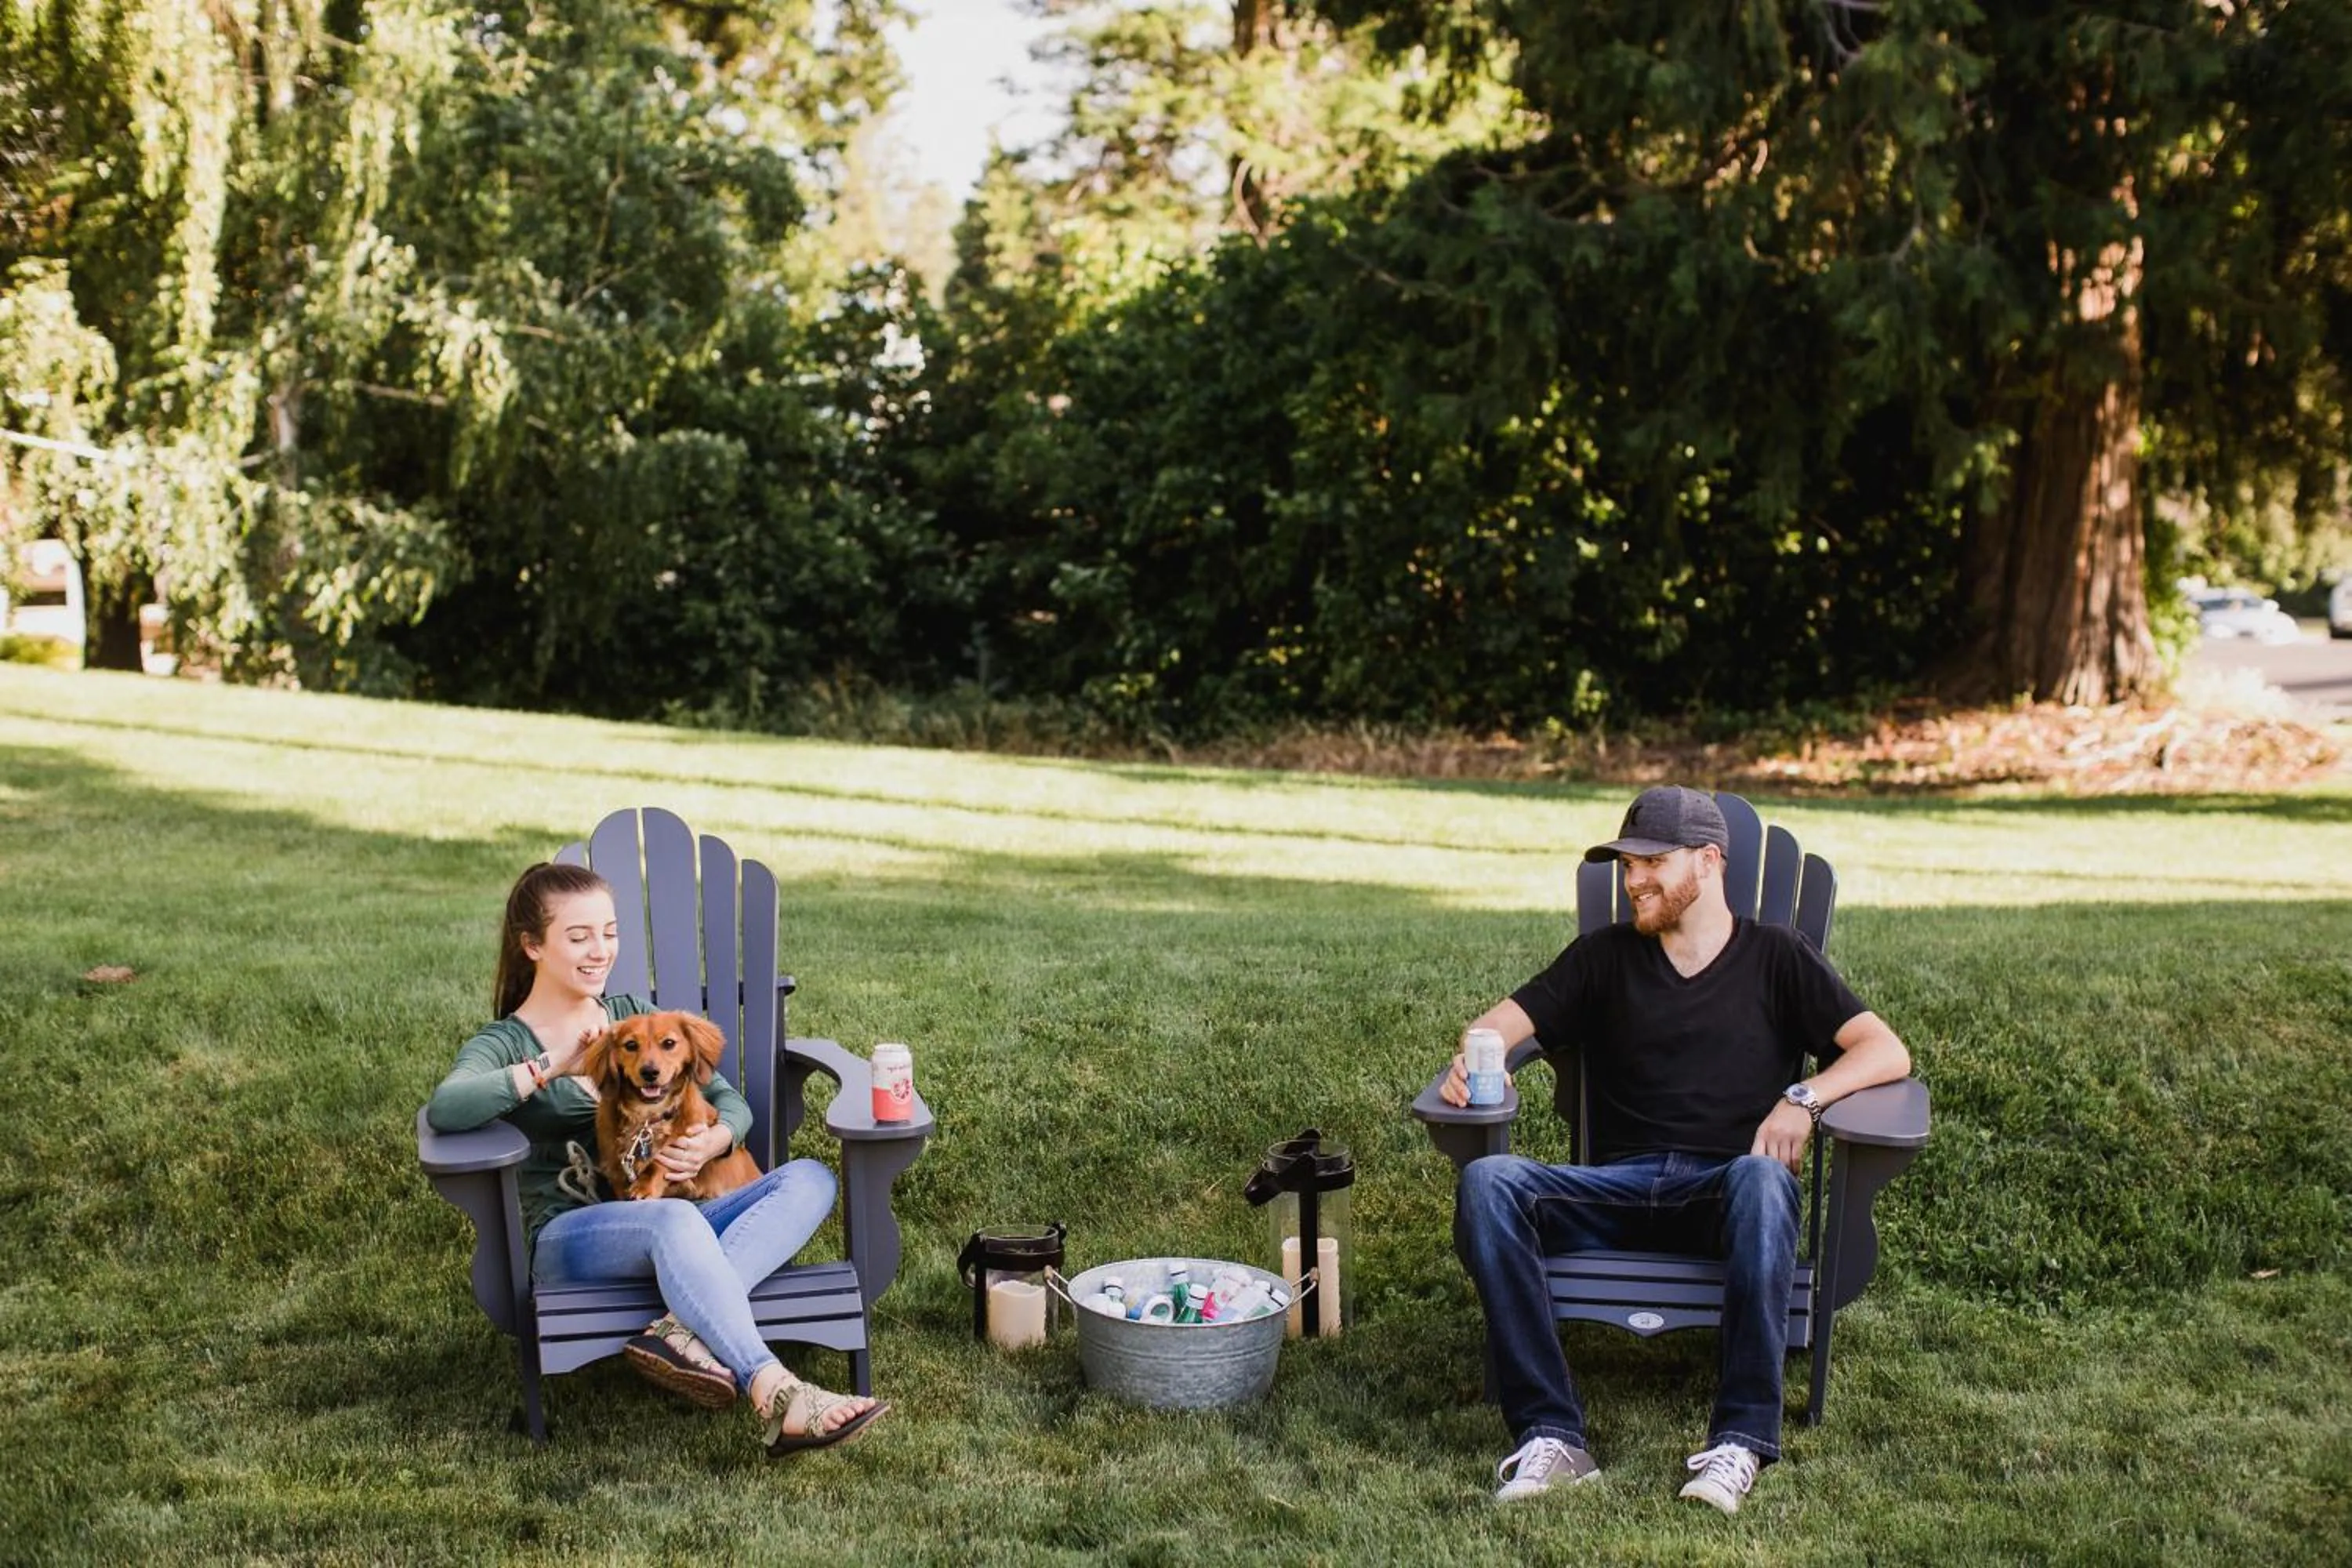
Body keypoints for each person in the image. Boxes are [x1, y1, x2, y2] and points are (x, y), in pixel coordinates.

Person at [1439, 786, 1910, 1512]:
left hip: (1726, 1197)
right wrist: (1476, 1060)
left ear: (1711, 861)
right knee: (1490, 1182)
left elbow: (1884, 1050)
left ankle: (1740, 1442)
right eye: (1627, 865)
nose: (1633, 881)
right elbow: (1497, 1025)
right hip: (1615, 1194)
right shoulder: (1603, 958)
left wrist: (1803, 1100)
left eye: (1654, 862)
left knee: (1762, 1179)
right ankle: (1552, 1436)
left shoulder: (1778, 959)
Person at [426, 861, 887, 1456]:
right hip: (572, 1236)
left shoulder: (632, 1016)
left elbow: (727, 1101)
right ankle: (777, 1392)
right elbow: (447, 1106)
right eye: (579, 936)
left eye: (610, 932)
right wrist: (553, 1066)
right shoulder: (506, 1041)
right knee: (674, 1220)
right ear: (532, 945)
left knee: (809, 1178)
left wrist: (717, 1140)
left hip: (677, 1217)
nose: (600, 950)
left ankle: (678, 1330)